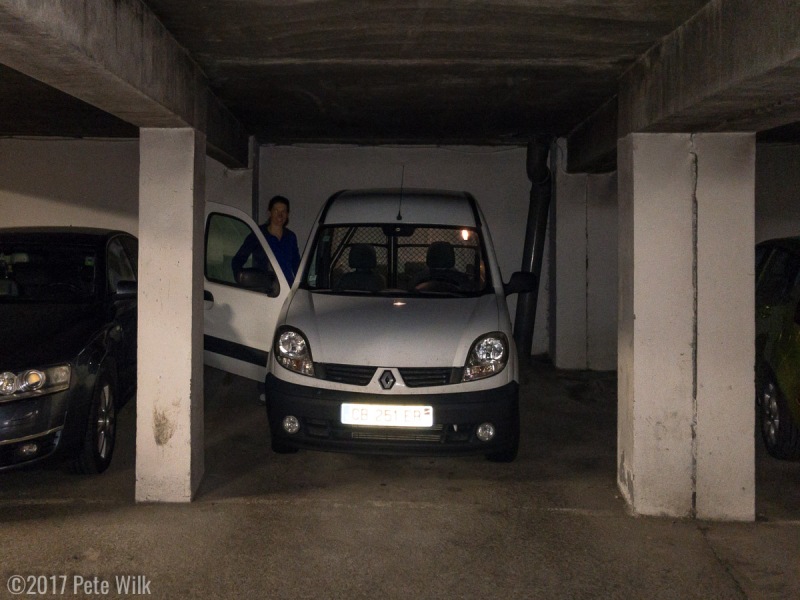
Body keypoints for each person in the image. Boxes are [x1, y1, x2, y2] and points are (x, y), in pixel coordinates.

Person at [232, 195, 301, 286]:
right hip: (265, 291)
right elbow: (238, 259)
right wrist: (241, 278)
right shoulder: (258, 234)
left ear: (287, 214)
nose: (280, 215)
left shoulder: (291, 237)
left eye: (283, 211)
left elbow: (297, 266)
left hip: (287, 290)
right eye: (276, 211)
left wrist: (300, 286)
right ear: (270, 212)